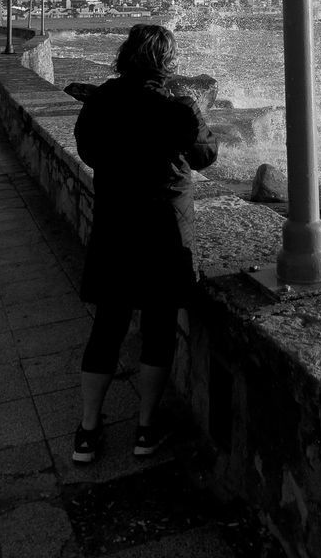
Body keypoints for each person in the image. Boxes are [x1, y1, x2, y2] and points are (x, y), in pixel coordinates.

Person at [72, 23, 218, 463]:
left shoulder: (100, 102)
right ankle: (144, 429)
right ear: (168, 63)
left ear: (125, 56)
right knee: (157, 329)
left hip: (116, 229)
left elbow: (89, 153)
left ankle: (88, 430)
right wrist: (193, 113)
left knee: (108, 326)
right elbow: (205, 156)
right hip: (163, 234)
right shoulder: (176, 107)